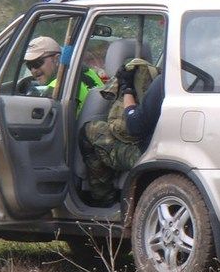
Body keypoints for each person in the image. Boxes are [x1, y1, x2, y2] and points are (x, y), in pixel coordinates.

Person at [80, 61, 165, 205]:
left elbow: (135, 126)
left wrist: (127, 90)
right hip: (172, 152)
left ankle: (103, 198)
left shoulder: (163, 83)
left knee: (90, 130)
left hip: (147, 155)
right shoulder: (192, 84)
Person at [23, 36, 104, 114]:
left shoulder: (55, 90)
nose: (33, 70)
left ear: (57, 59)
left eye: (37, 63)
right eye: (29, 65)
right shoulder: (87, 72)